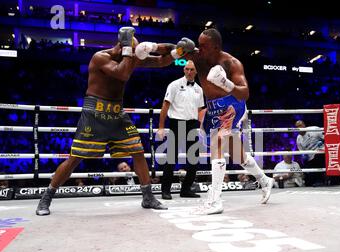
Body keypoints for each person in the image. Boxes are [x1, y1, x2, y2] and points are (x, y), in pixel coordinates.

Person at [36, 27, 195, 215]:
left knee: (138, 151)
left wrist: (178, 50)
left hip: (117, 112)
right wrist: (130, 52)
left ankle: (148, 197)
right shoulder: (100, 57)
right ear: (122, 46)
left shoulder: (130, 58)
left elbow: (161, 61)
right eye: (130, 50)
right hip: (95, 112)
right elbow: (122, 74)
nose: (134, 55)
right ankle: (46, 198)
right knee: (75, 158)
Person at [171, 28, 274, 214]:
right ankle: (265, 180)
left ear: (216, 47)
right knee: (238, 155)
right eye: (198, 45)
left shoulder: (231, 63)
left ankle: (215, 200)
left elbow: (245, 93)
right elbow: (172, 52)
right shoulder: (198, 57)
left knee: (218, 142)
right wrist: (175, 50)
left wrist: (225, 83)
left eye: (203, 46)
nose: (199, 49)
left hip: (232, 106)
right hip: (212, 109)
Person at [157, 60, 205, 199]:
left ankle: (186, 190)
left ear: (196, 71)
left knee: (194, 159)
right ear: (184, 70)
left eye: (192, 69)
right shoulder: (174, 85)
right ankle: (165, 190)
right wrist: (161, 127)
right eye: (187, 69)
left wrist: (201, 127)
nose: (189, 72)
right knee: (171, 158)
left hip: (192, 124)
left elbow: (200, 110)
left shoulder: (199, 89)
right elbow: (165, 106)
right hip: (176, 123)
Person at [295, 120, 325, 187]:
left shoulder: (314, 130)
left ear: (304, 125)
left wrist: (322, 143)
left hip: (321, 153)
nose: (299, 128)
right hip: (310, 158)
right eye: (297, 127)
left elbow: (328, 138)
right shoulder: (298, 139)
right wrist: (304, 156)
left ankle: (320, 180)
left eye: (300, 125)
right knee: (308, 181)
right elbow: (301, 151)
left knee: (318, 157)